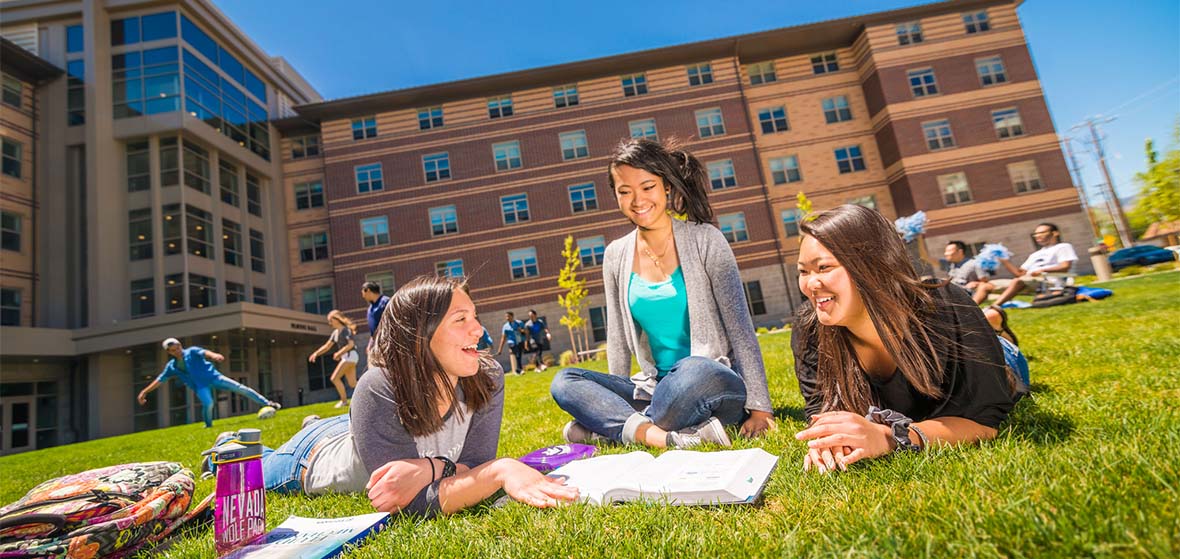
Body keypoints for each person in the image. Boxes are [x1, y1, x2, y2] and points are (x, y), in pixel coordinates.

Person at [205, 275, 578, 516]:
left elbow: (476, 462)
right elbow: (410, 501)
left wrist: (450, 471)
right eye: (461, 320)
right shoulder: (379, 386)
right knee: (247, 467)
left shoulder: (487, 375)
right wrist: (486, 471)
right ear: (420, 335)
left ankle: (331, 423)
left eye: (475, 316)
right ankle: (227, 447)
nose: (479, 331)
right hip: (312, 458)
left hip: (361, 431)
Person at [550, 138, 775, 449]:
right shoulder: (616, 255)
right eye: (624, 191)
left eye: (647, 187)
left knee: (693, 371)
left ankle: (612, 428)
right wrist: (615, 392)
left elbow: (741, 329)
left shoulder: (706, 240)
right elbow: (616, 337)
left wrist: (761, 408)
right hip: (655, 388)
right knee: (565, 381)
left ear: (666, 187)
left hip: (711, 380)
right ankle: (666, 433)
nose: (637, 200)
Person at [790, 205, 1027, 474]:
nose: (810, 284)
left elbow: (984, 422)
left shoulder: (944, 306)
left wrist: (892, 437)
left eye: (823, 267)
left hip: (1002, 364)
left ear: (872, 265)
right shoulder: (810, 327)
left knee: (1006, 357)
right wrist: (832, 437)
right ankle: (989, 319)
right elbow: (820, 408)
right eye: (803, 271)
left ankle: (993, 324)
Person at [138, 338, 279, 428]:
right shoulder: (172, 366)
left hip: (214, 377)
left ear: (180, 345)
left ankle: (268, 403)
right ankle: (208, 425)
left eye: (178, 348)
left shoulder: (192, 352)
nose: (177, 352)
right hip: (200, 386)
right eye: (173, 351)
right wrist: (144, 391)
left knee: (241, 388)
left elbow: (205, 353)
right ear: (169, 352)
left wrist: (214, 356)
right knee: (209, 404)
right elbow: (160, 380)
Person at [990, 223, 1078, 307]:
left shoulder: (1063, 247)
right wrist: (1005, 261)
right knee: (985, 286)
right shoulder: (1035, 255)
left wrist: (1042, 270)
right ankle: (978, 314)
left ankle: (993, 307)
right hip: (1027, 281)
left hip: (1050, 282)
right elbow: (1019, 274)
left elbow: (1065, 267)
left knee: (1017, 281)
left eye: (1041, 233)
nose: (1037, 236)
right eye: (1035, 234)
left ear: (1055, 233)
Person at [308, 310, 360, 408]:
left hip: (350, 356)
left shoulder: (345, 330)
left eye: (330, 320)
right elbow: (327, 346)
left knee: (334, 378)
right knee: (353, 384)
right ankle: (370, 391)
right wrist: (316, 353)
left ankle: (344, 402)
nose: (329, 323)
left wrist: (339, 353)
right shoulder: (335, 333)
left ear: (336, 319)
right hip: (348, 357)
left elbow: (351, 344)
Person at [943, 241, 994, 305]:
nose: (945, 254)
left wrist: (977, 283)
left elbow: (985, 282)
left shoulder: (974, 263)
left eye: (948, 251)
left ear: (960, 252)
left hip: (964, 293)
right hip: (950, 292)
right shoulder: (951, 265)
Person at [361, 281, 390, 352]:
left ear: (368, 290)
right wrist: (370, 345)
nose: (363, 296)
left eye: (363, 293)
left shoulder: (386, 302)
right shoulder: (370, 309)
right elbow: (373, 331)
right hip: (377, 344)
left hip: (388, 342)